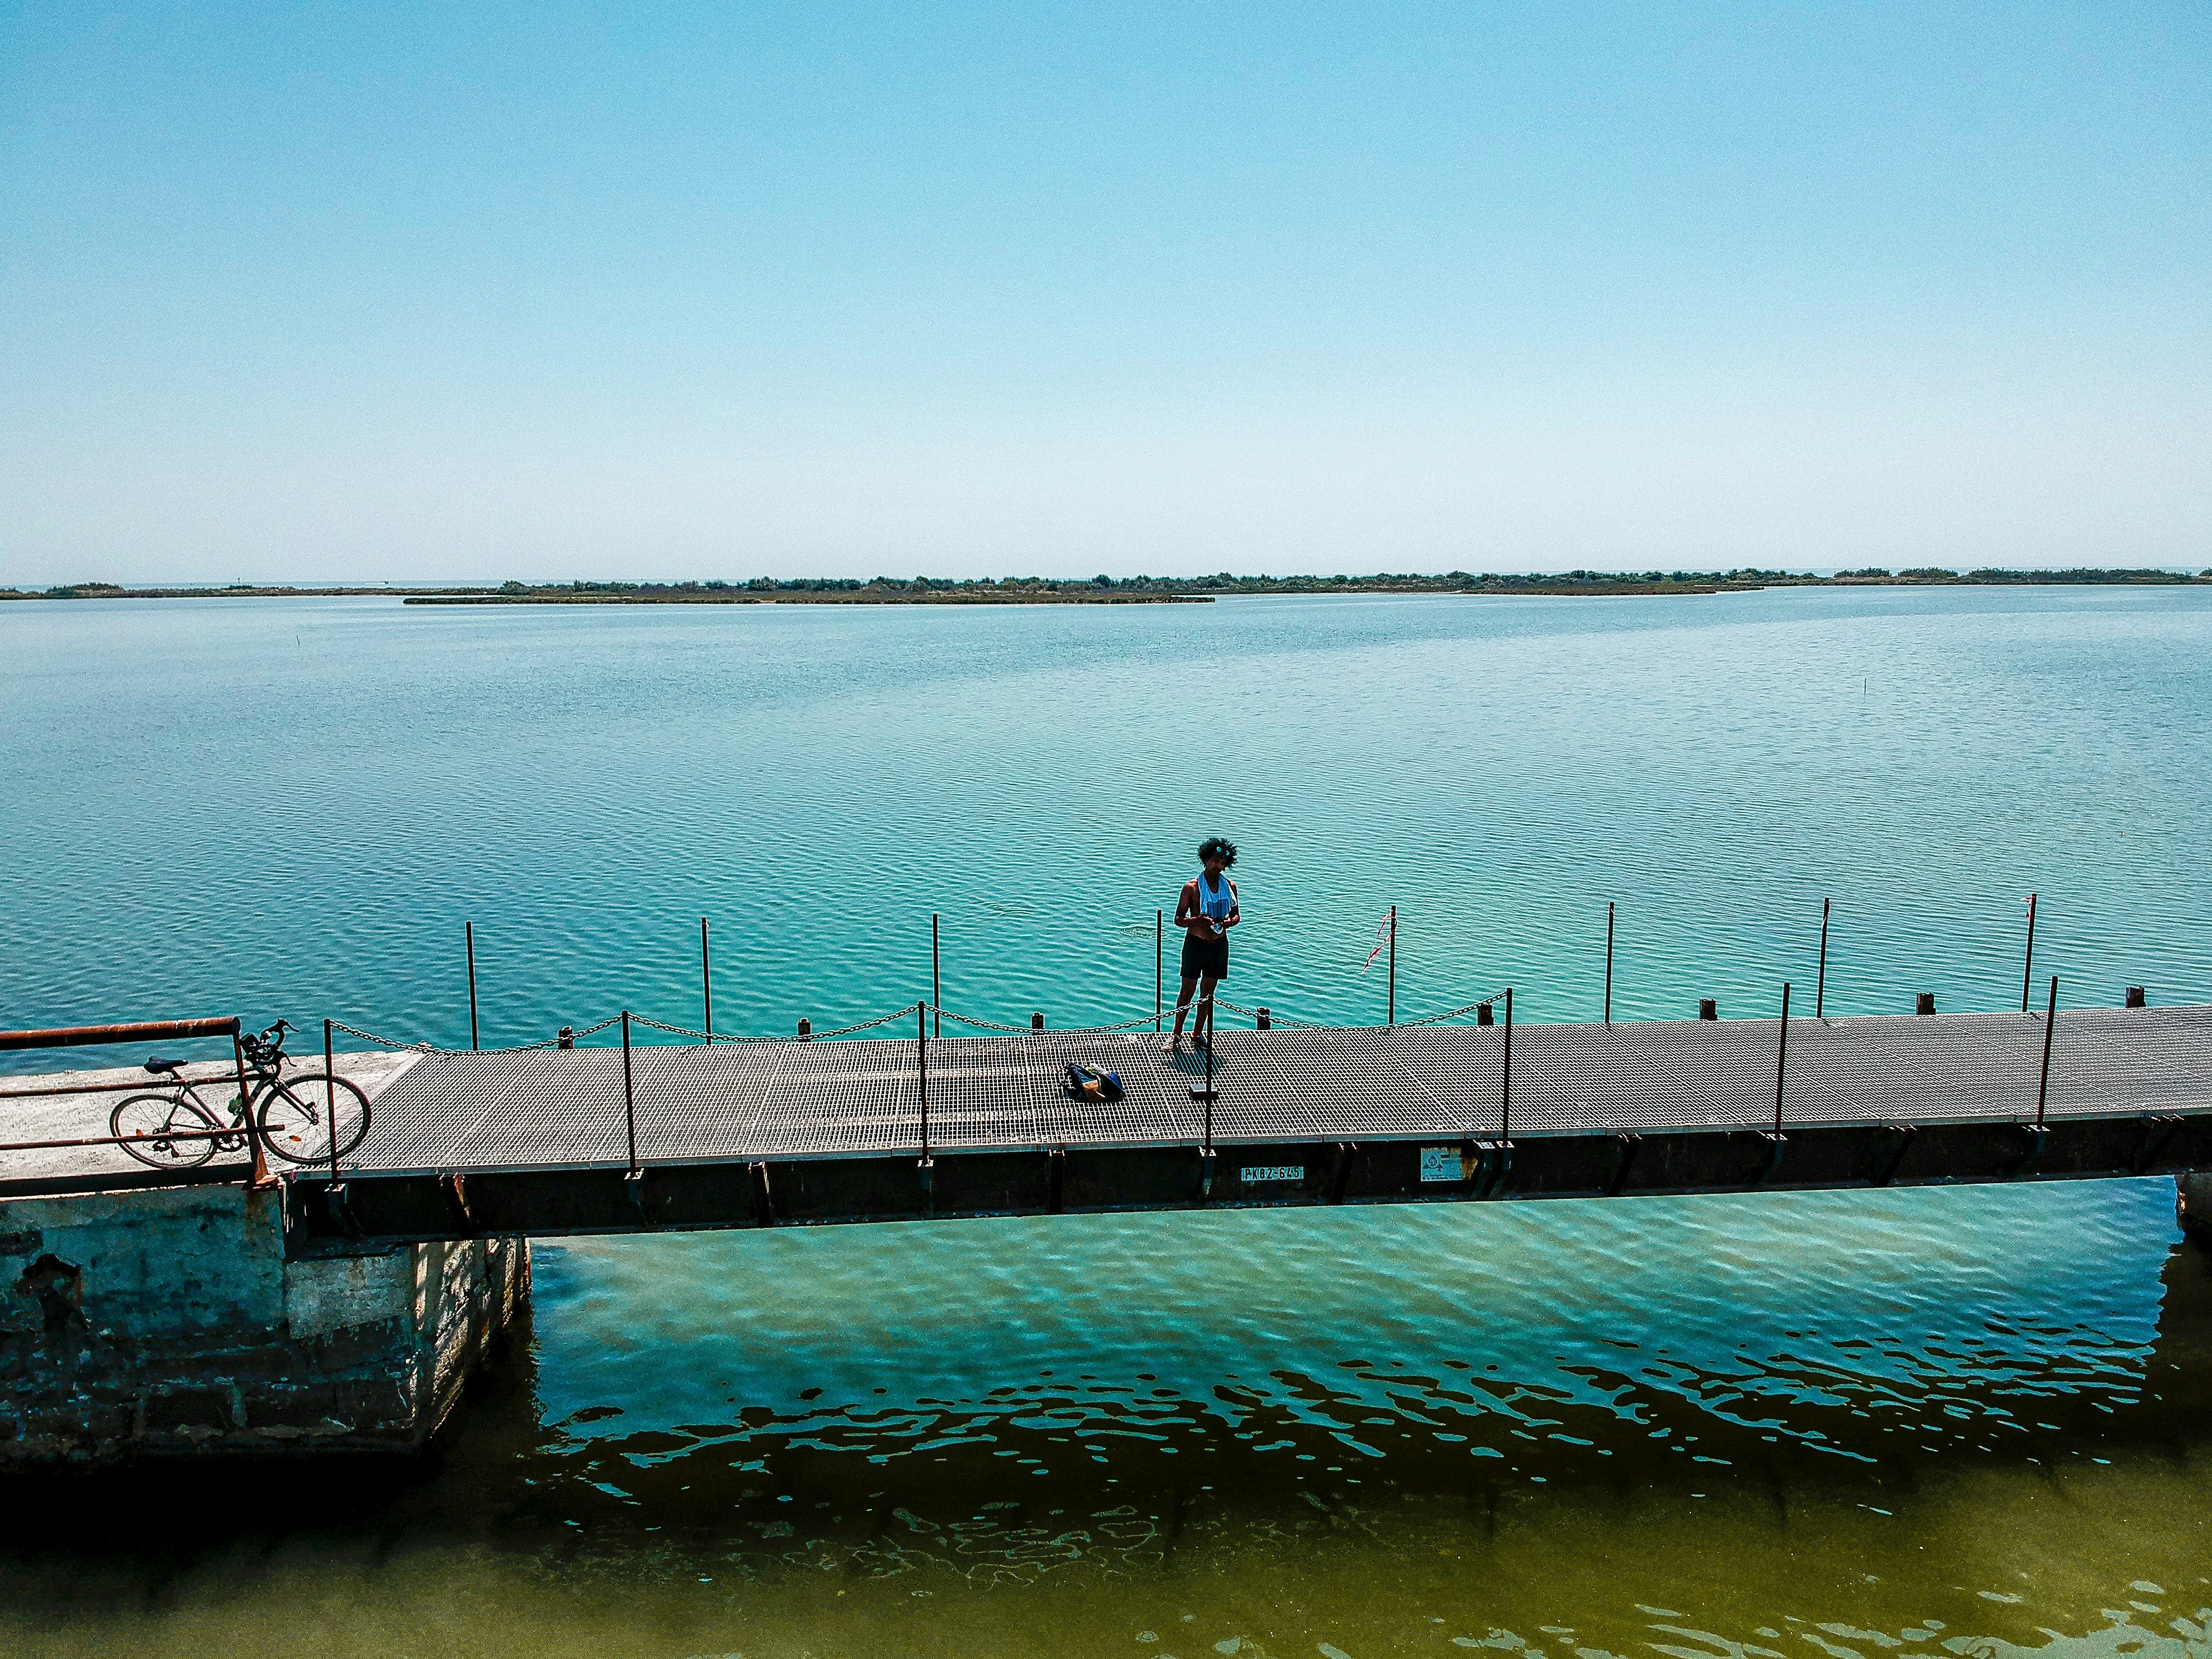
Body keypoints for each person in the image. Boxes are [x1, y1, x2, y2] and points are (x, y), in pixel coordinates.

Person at [1165, 838, 1240, 1053]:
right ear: (1206, 860)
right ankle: (1176, 1034)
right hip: (1195, 944)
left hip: (1218, 944)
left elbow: (1236, 916)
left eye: (1222, 862)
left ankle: (1197, 1034)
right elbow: (1178, 919)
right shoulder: (1192, 888)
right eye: (1215, 861)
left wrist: (1228, 922)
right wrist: (1196, 921)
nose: (1219, 866)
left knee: (1208, 993)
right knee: (1187, 990)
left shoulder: (1231, 887)